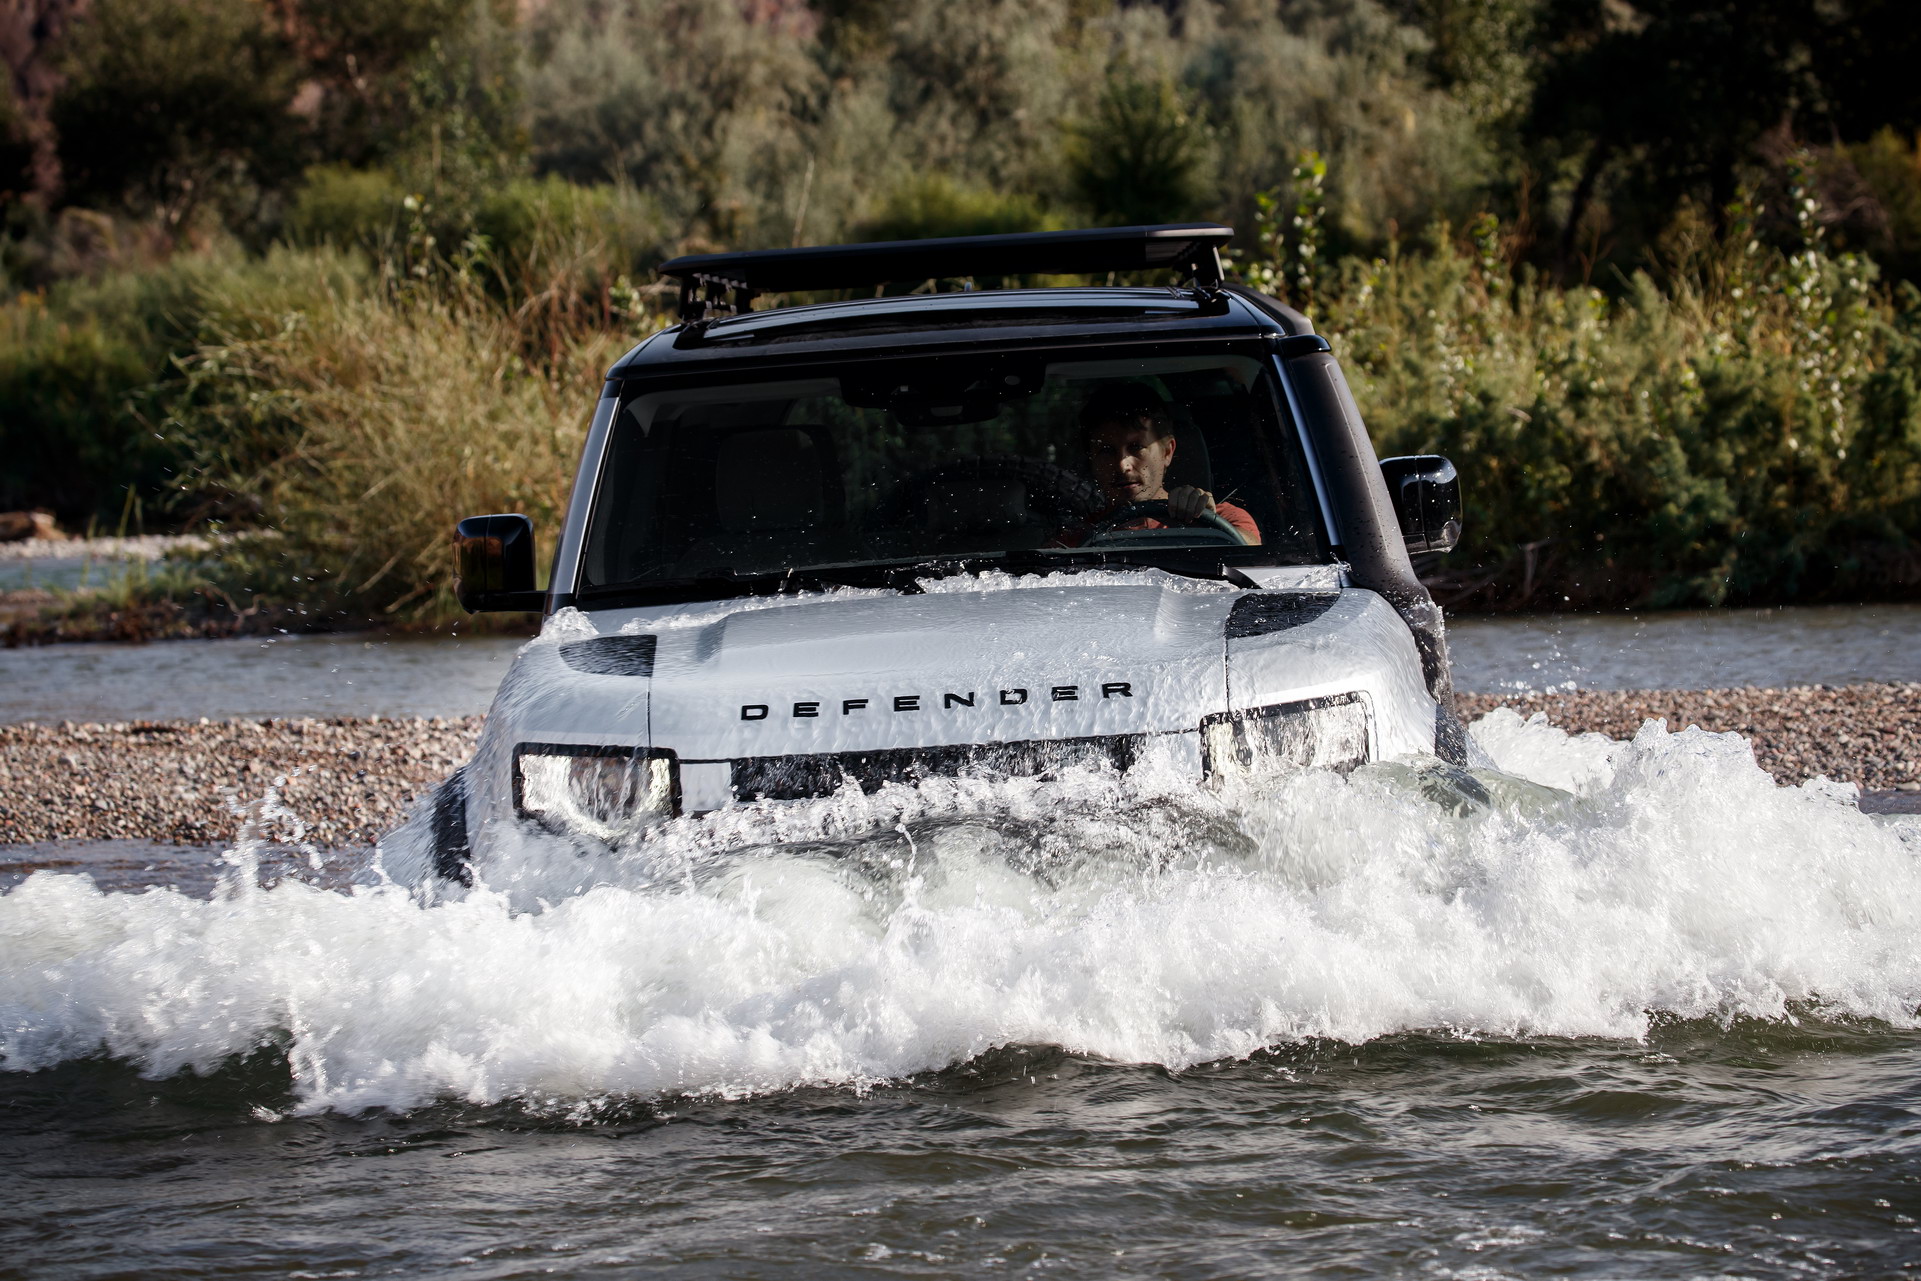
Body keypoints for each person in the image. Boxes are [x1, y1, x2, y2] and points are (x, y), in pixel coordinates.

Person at [1051, 384, 1261, 547]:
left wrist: (1204, 525)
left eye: (1136, 447)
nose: (1123, 465)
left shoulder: (1223, 517)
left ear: (1167, 452)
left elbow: (1252, 556)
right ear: (1092, 460)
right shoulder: (1079, 538)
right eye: (1106, 451)